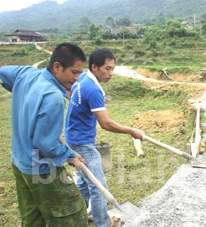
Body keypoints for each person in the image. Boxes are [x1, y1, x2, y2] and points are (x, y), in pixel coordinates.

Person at [0, 42, 88, 226]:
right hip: (41, 170)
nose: (77, 78)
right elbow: (45, 144)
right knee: (72, 215)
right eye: (74, 72)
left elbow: (3, 72)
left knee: (33, 218)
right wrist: (69, 155)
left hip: (20, 164)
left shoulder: (26, 74)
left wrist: (19, 91)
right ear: (57, 66)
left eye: (79, 73)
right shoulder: (54, 98)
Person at [65, 48, 145, 227]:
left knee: (85, 184)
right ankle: (102, 224)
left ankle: (78, 219)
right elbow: (106, 123)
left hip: (72, 139)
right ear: (94, 67)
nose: (111, 73)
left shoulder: (82, 79)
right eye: (107, 69)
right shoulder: (93, 90)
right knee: (99, 188)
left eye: (113, 69)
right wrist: (132, 131)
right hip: (83, 144)